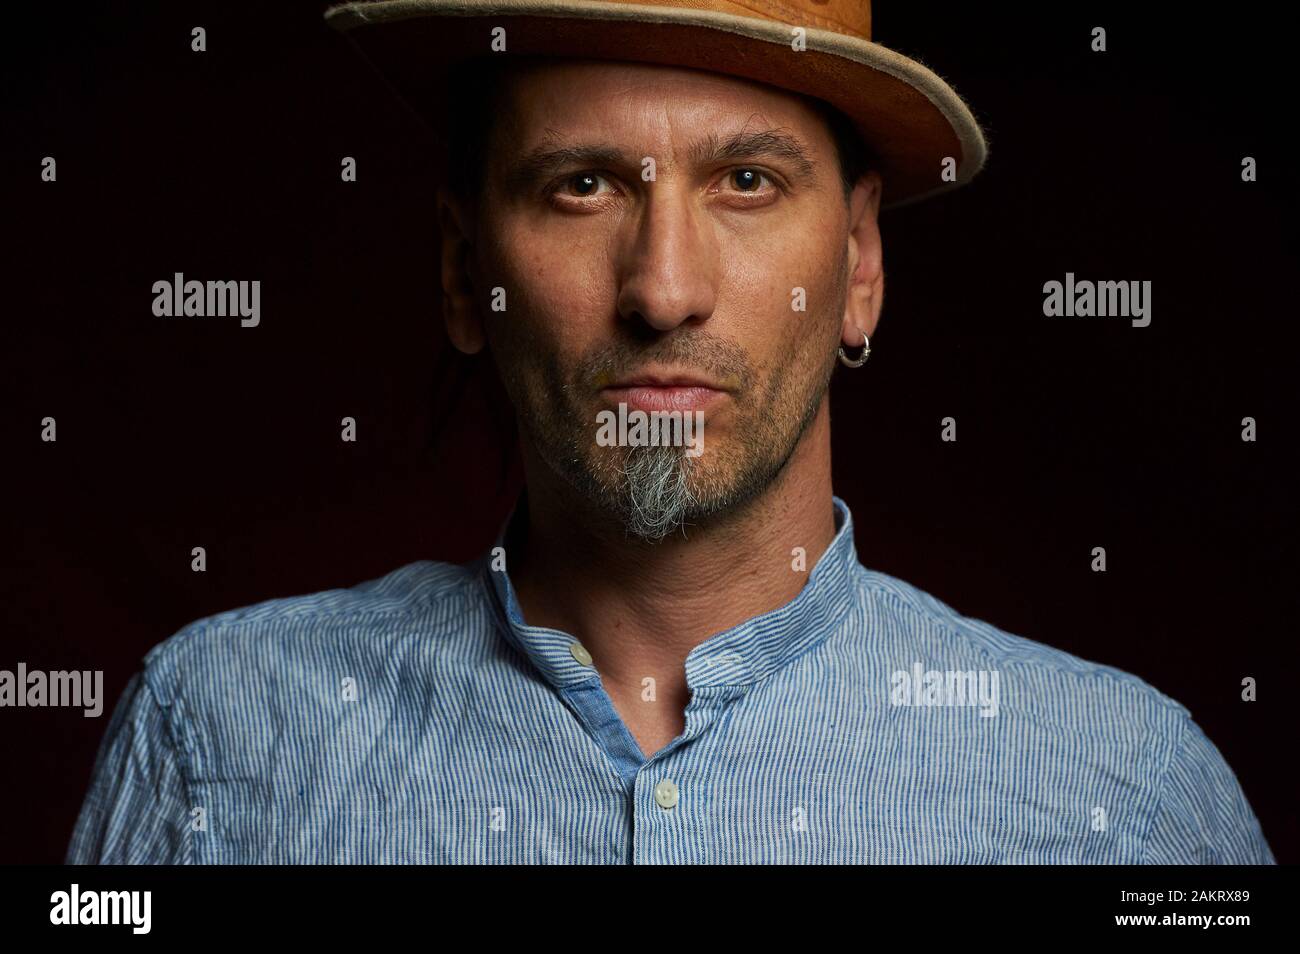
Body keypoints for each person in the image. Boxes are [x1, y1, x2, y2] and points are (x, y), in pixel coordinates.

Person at [67, 0, 1274, 864]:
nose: (661, 288)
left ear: (858, 269)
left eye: (745, 182)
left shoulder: (1123, 794)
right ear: (460, 272)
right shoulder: (211, 735)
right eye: (582, 184)